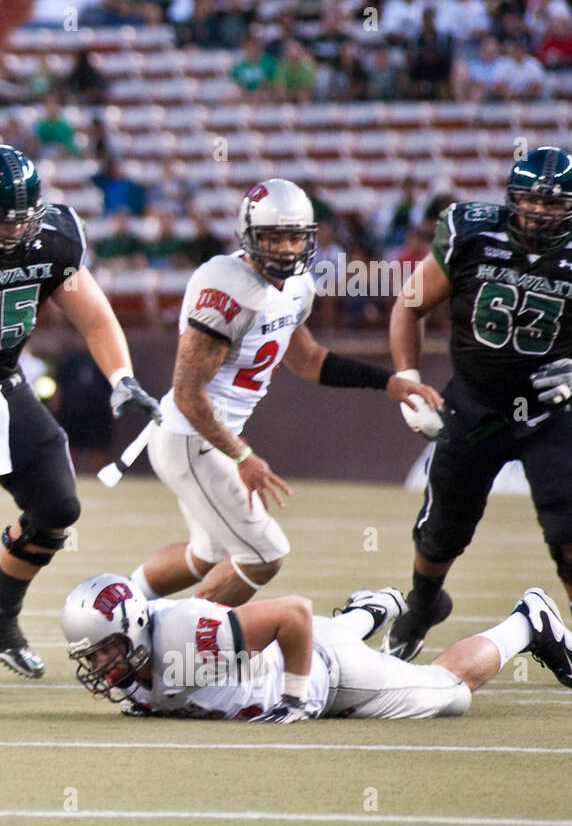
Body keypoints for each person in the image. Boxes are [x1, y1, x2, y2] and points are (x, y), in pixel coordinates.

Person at [0, 145, 162, 694]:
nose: (14, 232)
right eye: (0, 220)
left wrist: (122, 379)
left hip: (2, 382)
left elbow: (94, 316)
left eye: (23, 220)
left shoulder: (52, 240)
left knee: (58, 507)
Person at [128, 178, 440, 608]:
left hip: (210, 438)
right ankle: (183, 643)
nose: (285, 249)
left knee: (208, 554)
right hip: (189, 438)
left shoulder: (296, 287)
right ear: (250, 237)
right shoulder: (225, 286)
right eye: (273, 238)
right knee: (263, 555)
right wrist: (242, 456)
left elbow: (308, 359)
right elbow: (187, 395)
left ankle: (125, 604)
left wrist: (387, 381)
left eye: (295, 237)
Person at [385, 147, 572, 661]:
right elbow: (412, 304)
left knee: (567, 524)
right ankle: (422, 605)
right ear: (511, 199)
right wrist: (406, 376)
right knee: (443, 528)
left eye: (553, 204)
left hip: (552, 408)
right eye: (530, 200)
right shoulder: (472, 234)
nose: (540, 211)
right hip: (475, 404)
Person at [61, 576, 572, 721]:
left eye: (108, 650)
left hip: (326, 675)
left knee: (451, 693)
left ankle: (528, 622)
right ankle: (372, 608)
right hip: (297, 652)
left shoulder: (187, 638)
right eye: (93, 656)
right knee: (328, 632)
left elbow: (293, 614)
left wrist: (295, 698)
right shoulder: (137, 678)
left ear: (137, 628)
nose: (103, 665)